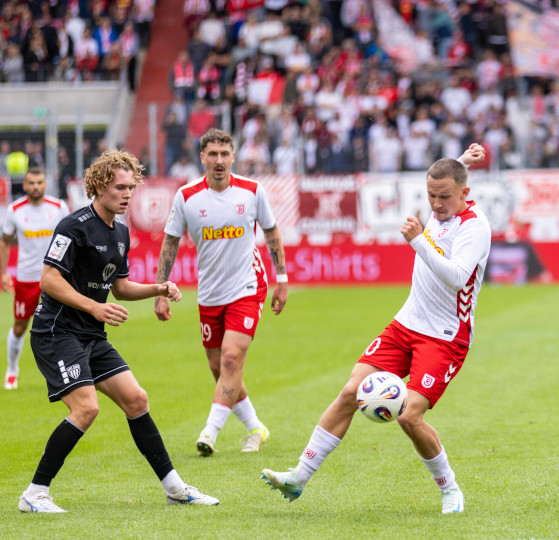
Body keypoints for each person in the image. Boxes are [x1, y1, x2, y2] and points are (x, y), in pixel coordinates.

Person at [261, 144, 489, 514]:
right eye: (431, 195)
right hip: (407, 323)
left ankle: (450, 490)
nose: (436, 204)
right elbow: (446, 175)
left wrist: (418, 241)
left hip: (446, 337)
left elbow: (457, 278)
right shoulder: (444, 200)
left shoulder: (475, 228)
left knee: (409, 415)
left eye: (444, 196)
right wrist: (462, 159)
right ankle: (299, 477)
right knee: (351, 390)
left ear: (465, 193)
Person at [19, 149, 217, 513]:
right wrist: (94, 306)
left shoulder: (121, 232)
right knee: (86, 408)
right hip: (56, 331)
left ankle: (174, 488)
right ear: (98, 186)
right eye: (120, 187)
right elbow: (49, 279)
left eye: (131, 187)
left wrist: (158, 287)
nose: (127, 194)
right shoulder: (73, 226)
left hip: (90, 335)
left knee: (136, 399)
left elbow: (120, 287)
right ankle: (34, 493)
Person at [154, 128, 287, 455]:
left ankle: (209, 433)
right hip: (210, 293)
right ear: (202, 158)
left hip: (247, 286)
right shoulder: (186, 197)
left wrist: (281, 277)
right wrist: (160, 289)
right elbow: (170, 240)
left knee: (230, 358)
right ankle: (256, 428)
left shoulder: (252, 191)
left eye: (224, 154)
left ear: (233, 157)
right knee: (221, 370)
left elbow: (271, 232)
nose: (218, 160)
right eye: (212, 154)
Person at [0, 167, 70, 389]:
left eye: (40, 182)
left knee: (63, 326)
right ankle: (12, 369)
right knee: (20, 326)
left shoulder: (59, 208)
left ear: (45, 184)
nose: (36, 187)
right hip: (26, 278)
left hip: (55, 276)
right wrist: (3, 273)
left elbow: (72, 240)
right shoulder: (15, 210)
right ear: (25, 185)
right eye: (31, 183)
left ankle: (65, 371)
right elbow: (4, 241)